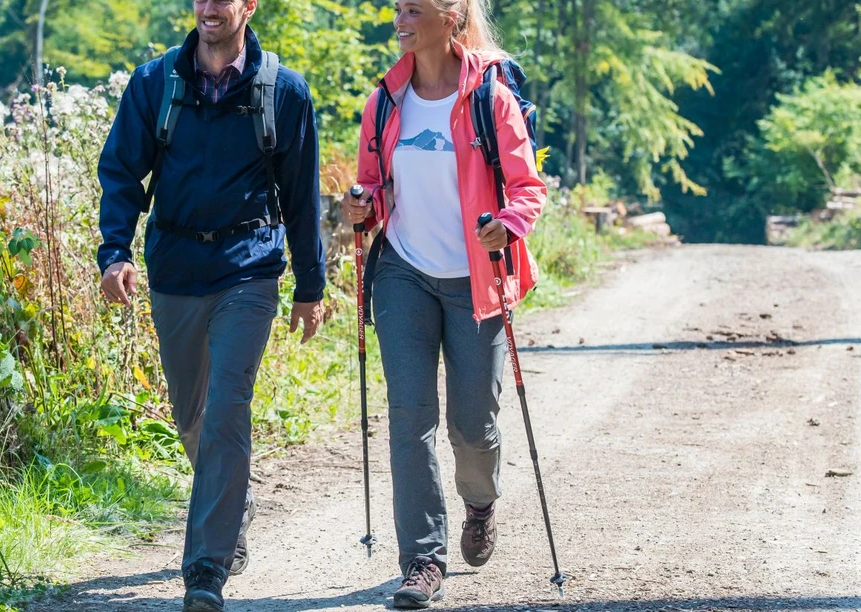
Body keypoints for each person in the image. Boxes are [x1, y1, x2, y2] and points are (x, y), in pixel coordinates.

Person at [95, 0, 325, 609]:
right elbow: (121, 172)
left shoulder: (284, 92)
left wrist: (310, 287)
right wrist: (115, 253)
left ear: (249, 6)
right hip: (175, 269)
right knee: (191, 417)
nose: (210, 6)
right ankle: (233, 500)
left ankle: (205, 568)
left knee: (226, 407)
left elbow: (302, 197)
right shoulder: (155, 84)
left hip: (248, 270)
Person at [343, 0, 546, 608]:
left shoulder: (489, 99)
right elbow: (372, 185)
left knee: (472, 425)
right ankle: (422, 560)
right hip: (402, 273)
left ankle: (479, 503)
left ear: (451, 17)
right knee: (410, 419)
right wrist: (361, 203)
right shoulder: (384, 101)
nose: (399, 20)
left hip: (474, 279)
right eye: (397, 8)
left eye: (413, 9)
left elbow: (527, 187)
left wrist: (508, 224)